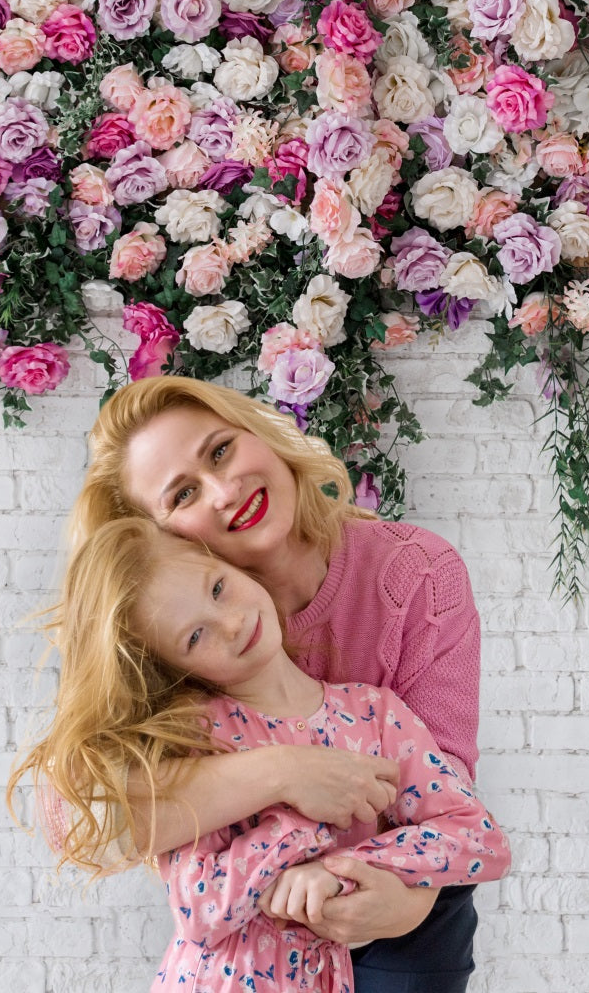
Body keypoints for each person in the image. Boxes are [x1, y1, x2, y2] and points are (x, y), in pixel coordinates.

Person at [66, 377, 486, 991]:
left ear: (259, 431)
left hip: (409, 886)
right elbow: (92, 813)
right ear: (160, 537)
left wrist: (404, 905)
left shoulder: (415, 572)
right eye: (183, 494)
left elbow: (448, 793)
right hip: (263, 922)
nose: (224, 490)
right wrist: (286, 773)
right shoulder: (169, 639)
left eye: (220, 451)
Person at [10, 518, 508, 991]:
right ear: (173, 666)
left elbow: (476, 837)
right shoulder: (196, 738)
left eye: (219, 588)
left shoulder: (377, 715)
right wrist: (292, 835)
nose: (229, 623)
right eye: (194, 636)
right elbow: (198, 909)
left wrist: (340, 872)